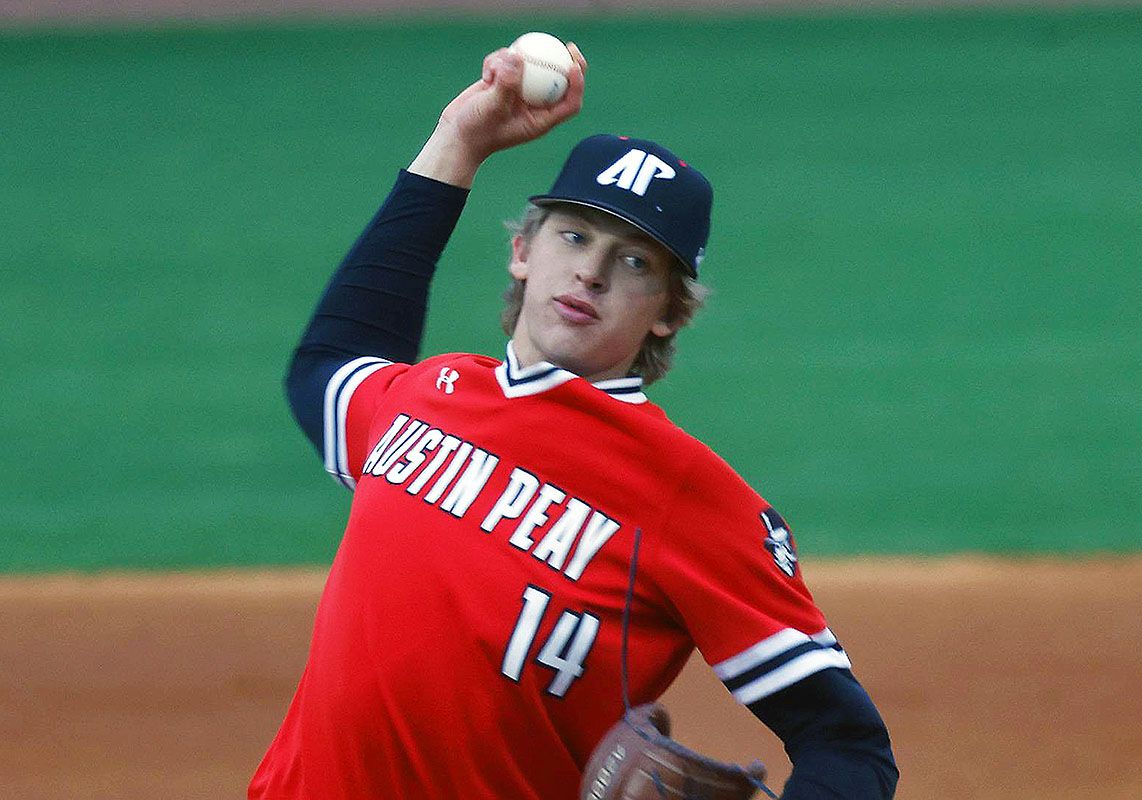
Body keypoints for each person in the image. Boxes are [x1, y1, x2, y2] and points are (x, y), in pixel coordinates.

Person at [251, 42, 898, 800]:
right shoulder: (425, 396)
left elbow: (847, 744)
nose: (590, 271)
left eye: (635, 263)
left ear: (667, 315)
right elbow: (332, 360)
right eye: (574, 235)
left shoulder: (686, 492)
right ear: (523, 250)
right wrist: (458, 142)